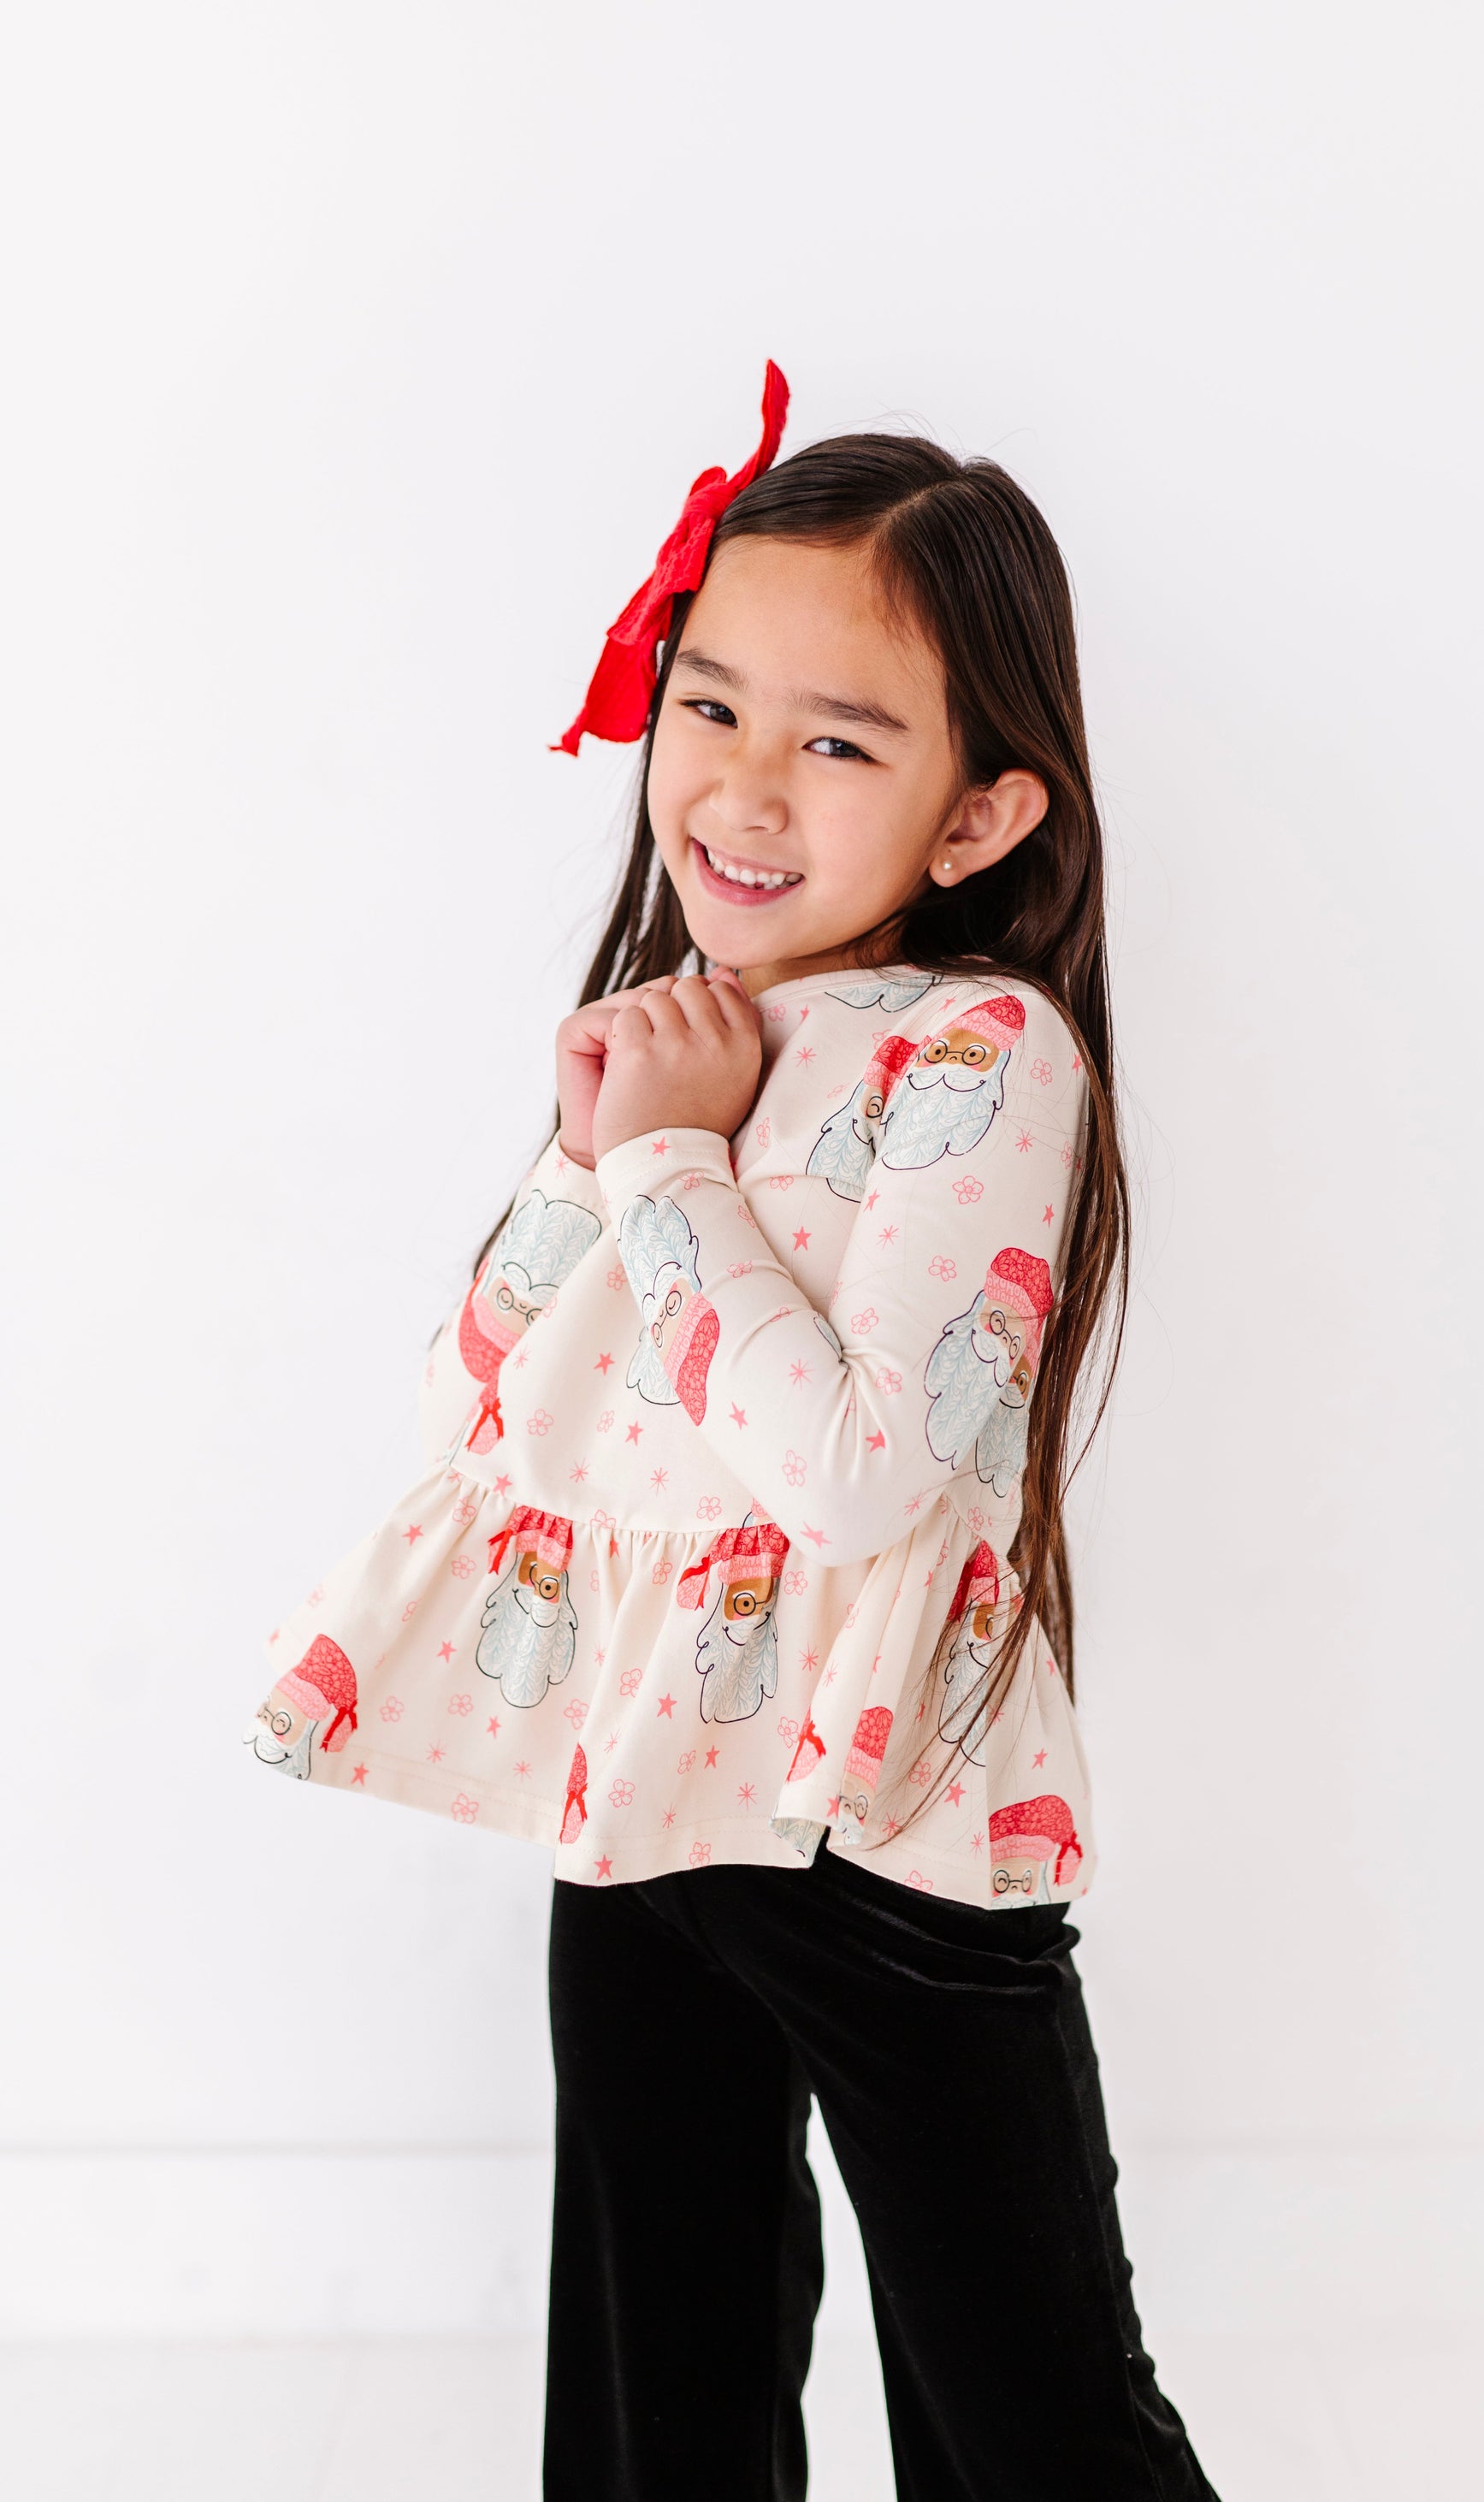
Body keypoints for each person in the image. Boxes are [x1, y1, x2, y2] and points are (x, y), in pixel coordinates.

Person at [247, 366, 1219, 2501]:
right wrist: (603, 1144)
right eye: (709, 705)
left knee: (1033, 2414)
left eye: (838, 740)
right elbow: (485, 1419)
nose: (744, 784)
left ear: (976, 818)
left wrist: (669, 1164)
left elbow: (859, 1471)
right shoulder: (676, 1036)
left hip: (887, 1825)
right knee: (648, 2397)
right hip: (646, 1785)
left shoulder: (978, 1050)